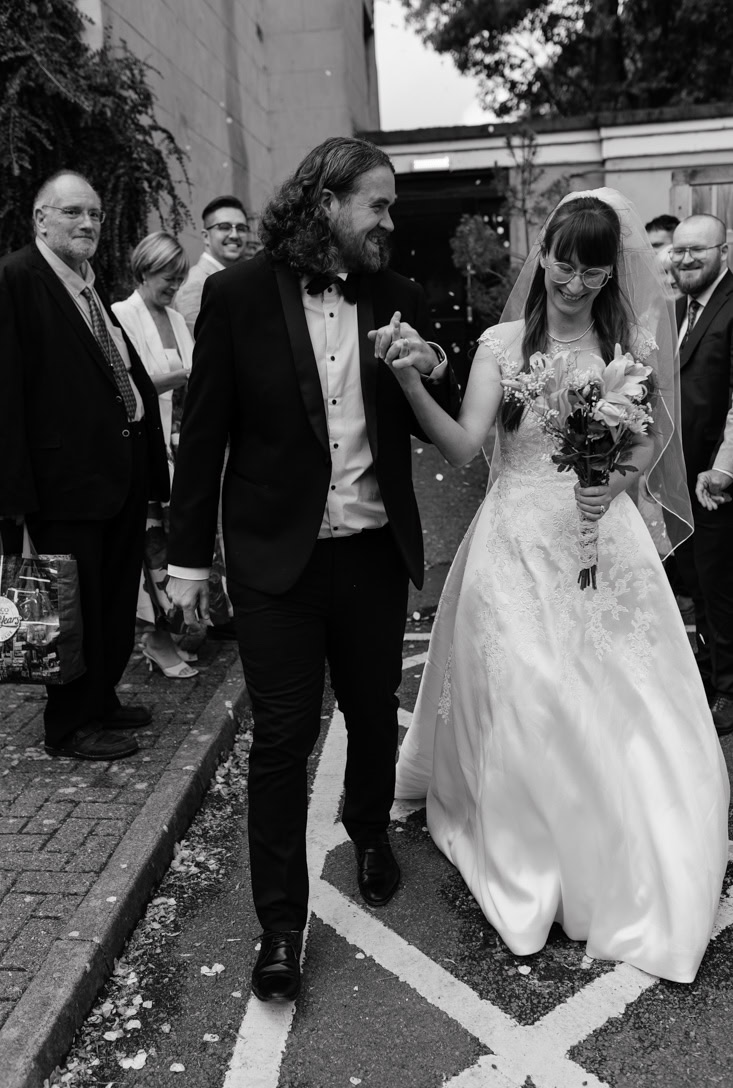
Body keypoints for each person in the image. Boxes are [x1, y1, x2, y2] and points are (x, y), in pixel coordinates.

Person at [391, 189, 729, 985]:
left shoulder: (628, 343)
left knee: (622, 695)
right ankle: (532, 865)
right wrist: (412, 387)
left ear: (612, 272)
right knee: (530, 694)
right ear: (541, 255)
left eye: (592, 268)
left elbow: (648, 440)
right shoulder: (503, 345)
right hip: (513, 541)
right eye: (563, 263)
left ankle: (618, 845)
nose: (573, 282)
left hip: (600, 536)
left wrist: (613, 483)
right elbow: (468, 446)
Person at [165, 136, 459, 1002]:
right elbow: (205, 433)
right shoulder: (236, 294)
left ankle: (367, 829)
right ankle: (281, 926)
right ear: (326, 201)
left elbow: (445, 384)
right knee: (283, 739)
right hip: (272, 559)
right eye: (377, 204)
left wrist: (427, 363)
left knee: (373, 710)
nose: (389, 221)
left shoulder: (396, 297)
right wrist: (186, 562)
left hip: (370, 550)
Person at [0, 170, 169, 760]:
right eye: (72, 212)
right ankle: (68, 727)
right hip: (60, 485)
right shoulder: (18, 278)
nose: (88, 224)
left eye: (94, 214)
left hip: (114, 479)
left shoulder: (88, 285)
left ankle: (100, 700)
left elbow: (119, 372)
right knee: (64, 608)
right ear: (40, 219)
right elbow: (6, 391)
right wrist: (14, 496)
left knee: (111, 602)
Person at [112, 231, 199, 679]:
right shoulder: (119, 316)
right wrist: (185, 373)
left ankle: (171, 631)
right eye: (169, 277)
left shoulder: (177, 319)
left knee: (176, 543)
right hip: (147, 452)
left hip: (180, 450)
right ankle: (155, 639)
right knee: (153, 551)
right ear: (144, 270)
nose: (175, 286)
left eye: (181, 278)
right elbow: (128, 387)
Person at [669, 214, 733, 735]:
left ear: (724, 251)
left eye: (699, 250)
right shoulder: (679, 310)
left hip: (718, 483)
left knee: (722, 589)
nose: (686, 259)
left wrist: (722, 469)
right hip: (683, 480)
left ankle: (729, 692)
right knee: (701, 587)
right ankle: (712, 677)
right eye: (679, 250)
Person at [173, 194, 249, 334]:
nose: (234, 235)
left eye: (241, 228)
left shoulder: (240, 280)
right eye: (224, 227)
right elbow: (197, 347)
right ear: (205, 236)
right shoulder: (196, 285)